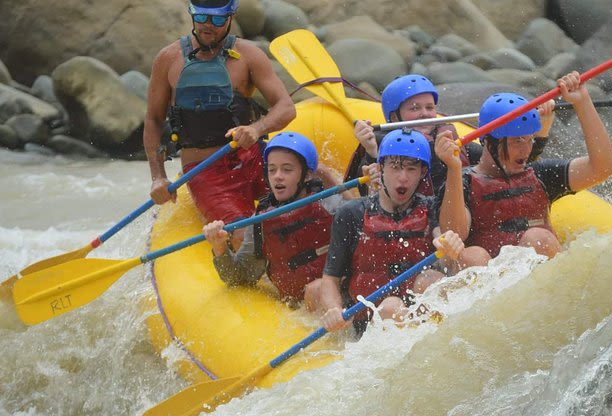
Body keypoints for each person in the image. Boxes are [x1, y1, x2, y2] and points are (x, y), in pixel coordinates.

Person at [145, 0, 296, 250]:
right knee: (241, 236)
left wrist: (256, 129)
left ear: (231, 17)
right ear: (192, 14)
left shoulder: (248, 55)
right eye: (202, 18)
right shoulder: (168, 59)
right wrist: (158, 177)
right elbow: (153, 119)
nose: (208, 26)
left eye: (217, 20)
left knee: (317, 179)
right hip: (205, 171)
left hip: (251, 156)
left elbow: (286, 107)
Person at [435, 71, 612, 264]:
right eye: (517, 141)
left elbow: (603, 167)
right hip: (488, 280)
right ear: (489, 142)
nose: (526, 149)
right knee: (474, 256)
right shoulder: (463, 181)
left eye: (530, 139)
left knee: (538, 238)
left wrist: (582, 102)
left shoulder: (540, 174)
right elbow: (455, 233)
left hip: (540, 278)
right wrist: (453, 169)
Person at [319, 128, 467, 337]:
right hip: (368, 323)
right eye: (396, 167)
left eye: (411, 169)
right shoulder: (351, 213)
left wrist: (449, 243)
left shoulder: (431, 207)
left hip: (417, 314)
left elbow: (441, 236)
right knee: (390, 306)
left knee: (430, 279)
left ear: (422, 173)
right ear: (380, 168)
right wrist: (334, 309)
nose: (403, 178)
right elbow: (331, 278)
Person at [203, 131, 351, 309]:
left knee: (315, 289)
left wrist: (337, 183)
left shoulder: (331, 204)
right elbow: (240, 277)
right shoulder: (260, 221)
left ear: (307, 175)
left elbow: (368, 230)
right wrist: (220, 248)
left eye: (287, 169)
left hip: (337, 297)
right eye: (272, 170)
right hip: (299, 311)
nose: (277, 176)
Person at [344, 74, 481, 197]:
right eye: (415, 108)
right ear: (395, 117)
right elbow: (367, 197)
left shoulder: (448, 138)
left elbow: (488, 161)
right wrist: (371, 152)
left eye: (429, 107)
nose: (425, 114)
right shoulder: (380, 145)